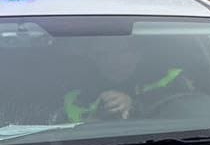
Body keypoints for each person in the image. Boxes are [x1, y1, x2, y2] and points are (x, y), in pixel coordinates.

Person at [62, 42, 193, 122]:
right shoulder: (75, 97)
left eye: (123, 52)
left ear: (139, 54)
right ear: (93, 59)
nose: (113, 60)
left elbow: (191, 112)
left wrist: (134, 105)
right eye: (102, 54)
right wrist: (90, 125)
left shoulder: (172, 78)